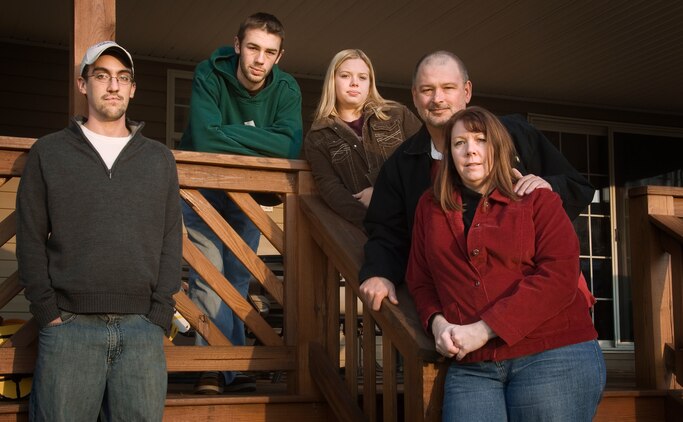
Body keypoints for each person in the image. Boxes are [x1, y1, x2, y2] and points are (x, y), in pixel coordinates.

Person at [16, 41, 182, 421]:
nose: (113, 86)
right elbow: (29, 235)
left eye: (123, 78)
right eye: (102, 76)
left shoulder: (158, 159)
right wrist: (47, 310)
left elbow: (171, 237)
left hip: (142, 329)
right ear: (82, 84)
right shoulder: (50, 152)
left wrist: (160, 312)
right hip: (69, 327)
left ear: (133, 89)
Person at [406, 106, 605, 420]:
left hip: (552, 354)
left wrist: (485, 329)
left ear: (498, 148)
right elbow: (421, 280)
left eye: (481, 140)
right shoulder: (429, 208)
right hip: (473, 365)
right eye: (459, 143)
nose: (470, 150)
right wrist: (438, 322)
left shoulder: (538, 199)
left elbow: (558, 275)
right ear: (450, 154)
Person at [359, 51, 595, 311]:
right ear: (414, 95)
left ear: (467, 91)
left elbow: (578, 187)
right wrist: (379, 272)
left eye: (448, 88)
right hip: (456, 310)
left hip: (541, 302)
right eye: (427, 90)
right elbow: (387, 233)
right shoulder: (401, 165)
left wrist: (549, 187)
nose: (437, 99)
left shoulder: (514, 133)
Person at [179, 12, 302, 394]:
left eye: (269, 52)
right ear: (237, 46)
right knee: (208, 274)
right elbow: (201, 139)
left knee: (236, 277)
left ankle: (229, 368)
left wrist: (225, 134)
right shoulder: (209, 73)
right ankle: (212, 369)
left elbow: (290, 146)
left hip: (249, 195)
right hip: (200, 191)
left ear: (279, 56)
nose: (260, 59)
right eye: (252, 48)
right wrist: (258, 138)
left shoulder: (287, 89)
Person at [303, 49, 422, 228]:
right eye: (345, 76)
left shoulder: (398, 115)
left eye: (362, 77)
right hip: (368, 231)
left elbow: (424, 162)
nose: (354, 83)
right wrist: (372, 222)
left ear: (370, 83)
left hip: (416, 219)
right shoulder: (318, 136)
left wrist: (383, 195)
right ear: (332, 81)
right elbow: (331, 190)